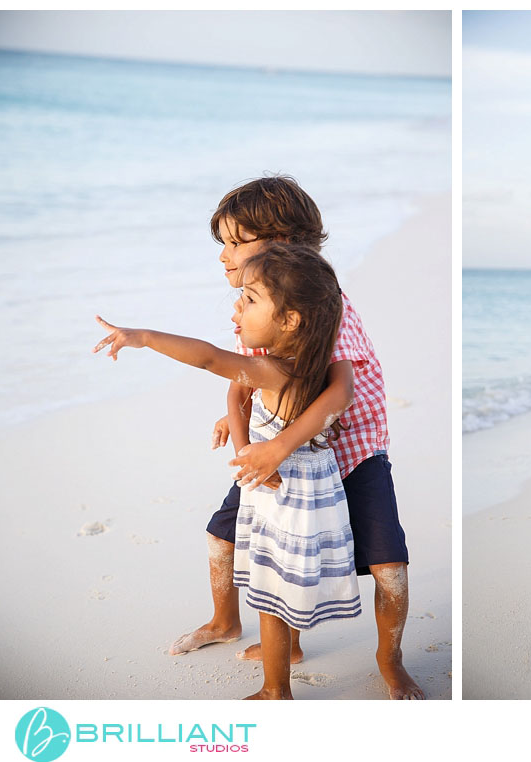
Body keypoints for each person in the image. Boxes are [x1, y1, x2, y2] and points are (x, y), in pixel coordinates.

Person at [170, 175, 423, 699]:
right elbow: (244, 371)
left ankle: (389, 661)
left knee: (388, 564)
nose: (224, 256)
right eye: (222, 244)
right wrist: (241, 427)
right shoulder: (259, 305)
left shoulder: (320, 305)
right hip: (280, 452)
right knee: (228, 536)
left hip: (350, 452)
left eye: (236, 243)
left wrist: (276, 446)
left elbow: (338, 394)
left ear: (282, 242)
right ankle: (226, 622)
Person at [94, 244, 360, 698]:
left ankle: (276, 690)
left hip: (282, 497)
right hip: (312, 490)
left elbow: (210, 359)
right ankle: (284, 667)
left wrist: (143, 337)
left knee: (271, 600)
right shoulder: (327, 369)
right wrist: (245, 449)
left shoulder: (272, 370)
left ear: (291, 321)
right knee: (279, 597)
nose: (238, 304)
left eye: (251, 299)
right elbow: (238, 394)